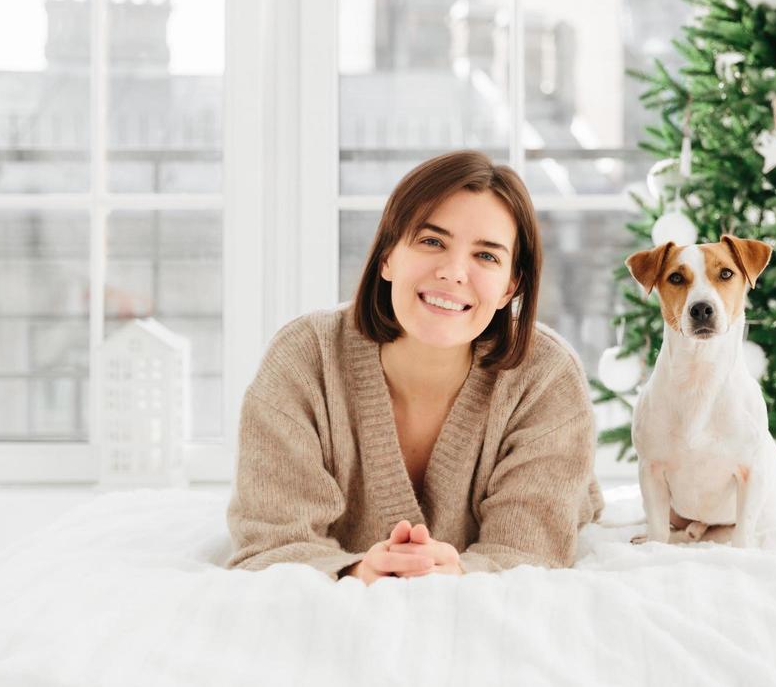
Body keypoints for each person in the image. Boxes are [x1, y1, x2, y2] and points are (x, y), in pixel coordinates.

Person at [225, 150, 604, 583]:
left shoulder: (546, 376)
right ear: (388, 255)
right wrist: (355, 569)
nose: (453, 272)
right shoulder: (304, 358)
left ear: (509, 288)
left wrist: (460, 569)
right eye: (431, 242)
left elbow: (531, 552)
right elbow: (271, 542)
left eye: (486, 257)